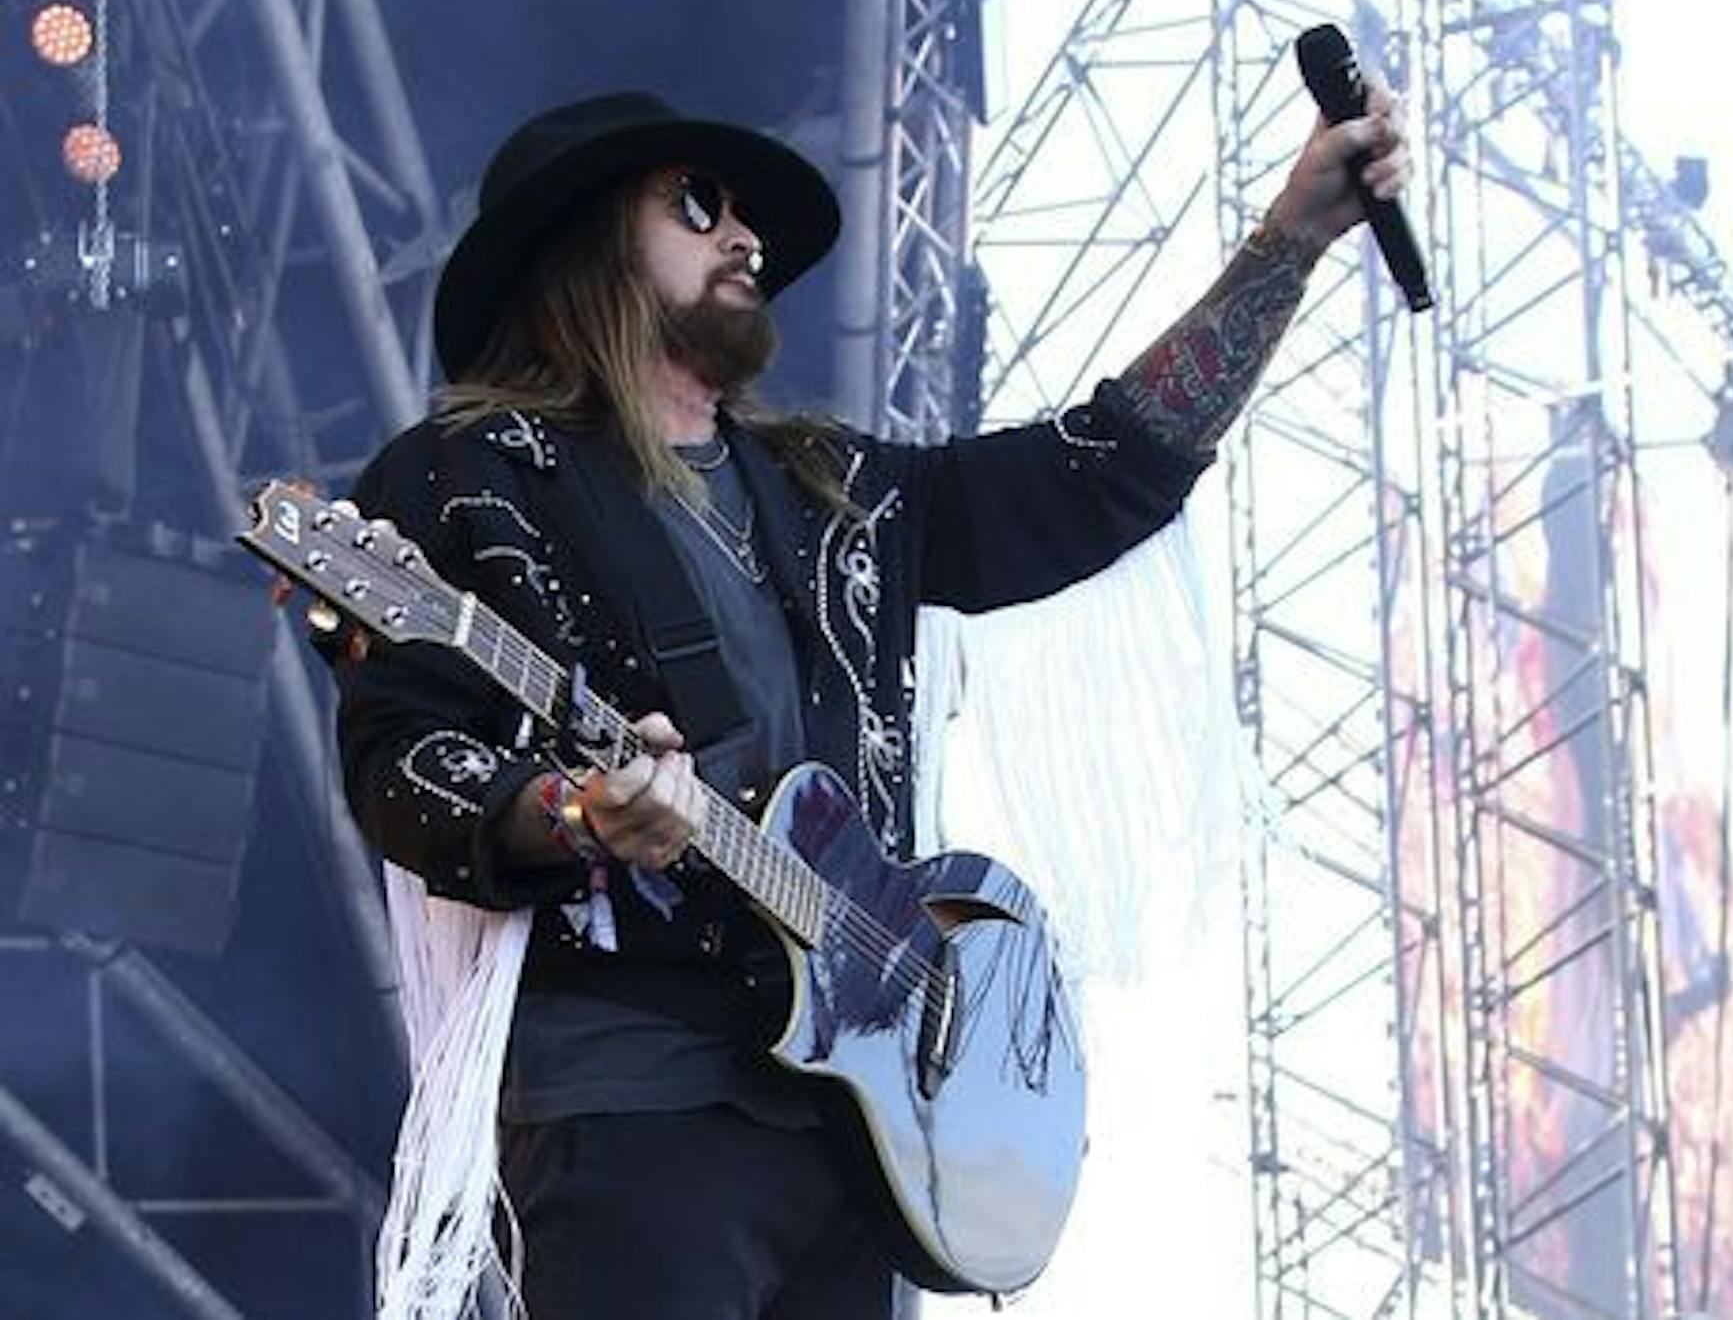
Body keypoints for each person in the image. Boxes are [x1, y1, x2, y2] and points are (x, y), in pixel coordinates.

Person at [326, 83, 1408, 1320]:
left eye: (748, 218)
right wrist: (573, 813)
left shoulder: (830, 489)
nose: (746, 238)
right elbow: (402, 759)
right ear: (581, 245)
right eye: (697, 205)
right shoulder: (468, 481)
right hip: (637, 1102)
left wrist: (1293, 239)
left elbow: (1101, 471)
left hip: (857, 1126)